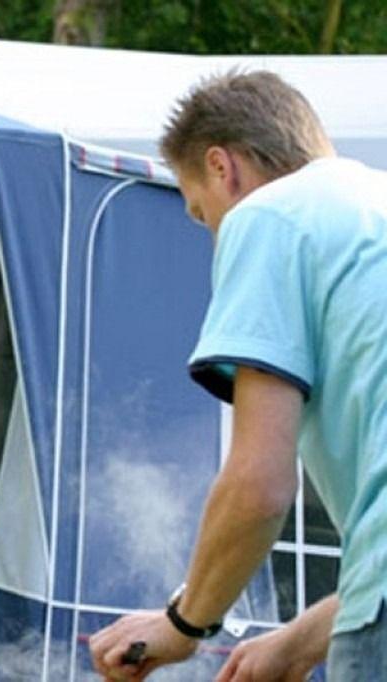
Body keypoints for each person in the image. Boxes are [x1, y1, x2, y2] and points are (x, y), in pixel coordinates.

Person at [89, 69, 387, 680]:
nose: (214, 236)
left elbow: (260, 485)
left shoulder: (270, 215)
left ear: (223, 167)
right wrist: (299, 642)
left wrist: (184, 623)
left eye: (203, 216)